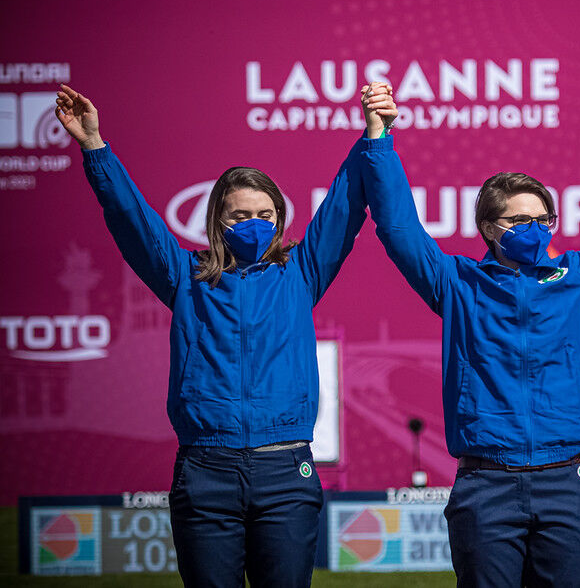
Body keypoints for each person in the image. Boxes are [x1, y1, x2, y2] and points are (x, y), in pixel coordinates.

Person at [356, 81, 580, 587]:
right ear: (488, 228)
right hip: (485, 483)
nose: (534, 228)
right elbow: (398, 229)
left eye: (543, 219)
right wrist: (380, 139)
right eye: (518, 220)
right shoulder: (457, 283)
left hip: (568, 481)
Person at [54, 84, 374, 587]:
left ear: (280, 219)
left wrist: (373, 134)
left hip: (285, 472)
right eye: (240, 215)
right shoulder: (184, 276)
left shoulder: (300, 273)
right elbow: (131, 220)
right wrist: (94, 145)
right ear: (217, 223)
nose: (254, 224)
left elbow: (344, 207)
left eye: (265, 215)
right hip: (206, 473)